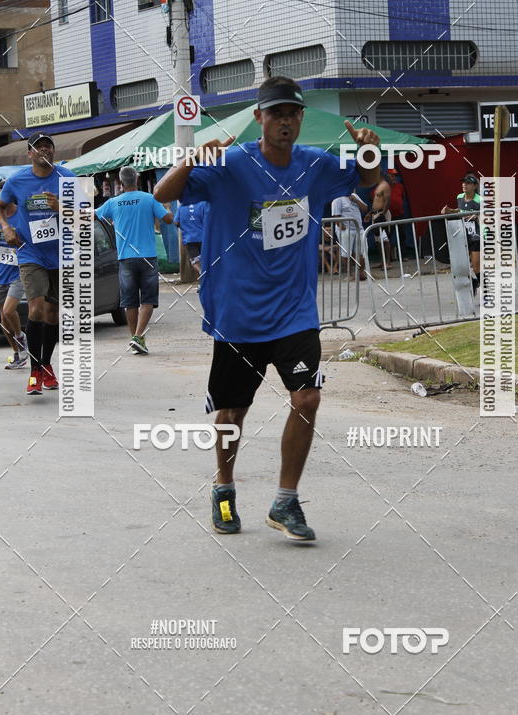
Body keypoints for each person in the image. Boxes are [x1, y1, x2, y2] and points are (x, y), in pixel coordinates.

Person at [154, 75, 380, 542]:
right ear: (259, 118)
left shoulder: (314, 165)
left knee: (308, 396)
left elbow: (368, 180)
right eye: (275, 113)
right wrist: (195, 156)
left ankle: (285, 500)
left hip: (294, 310)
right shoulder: (231, 165)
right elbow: (163, 194)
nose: (285, 121)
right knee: (233, 413)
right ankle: (223, 486)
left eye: (293, 113)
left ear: (300, 118)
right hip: (237, 311)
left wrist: (370, 151)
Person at [0, 133, 76, 396]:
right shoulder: (18, 180)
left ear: (53, 151)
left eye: (47, 146)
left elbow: (86, 214)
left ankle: (46, 365)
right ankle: (33, 372)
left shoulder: (69, 177)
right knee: (36, 308)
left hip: (61, 254)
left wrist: (61, 207)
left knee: (53, 314)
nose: (43, 150)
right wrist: (6, 227)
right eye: (37, 147)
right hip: (30, 254)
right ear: (29, 153)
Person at [96, 165, 173, 355]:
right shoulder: (149, 199)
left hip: (126, 259)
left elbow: (91, 215)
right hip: (147, 257)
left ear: (120, 183)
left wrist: (62, 209)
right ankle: (138, 337)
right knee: (147, 299)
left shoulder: (113, 203)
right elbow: (169, 219)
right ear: (137, 179)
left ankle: (136, 338)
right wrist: (168, 208)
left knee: (130, 301)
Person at [0, 181, 28, 369]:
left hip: (18, 271)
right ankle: (17, 354)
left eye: (1, 197)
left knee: (8, 310)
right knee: (3, 319)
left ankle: (21, 338)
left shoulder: (22, 214)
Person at [441, 173, 482, 292]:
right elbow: (460, 210)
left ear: (474, 186)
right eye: (463, 182)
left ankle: (486, 291)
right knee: (462, 265)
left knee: (476, 266)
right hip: (463, 235)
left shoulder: (480, 200)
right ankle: (474, 281)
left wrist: (477, 215)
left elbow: (489, 215)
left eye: (468, 183)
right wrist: (450, 211)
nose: (464, 185)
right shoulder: (459, 197)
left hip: (476, 235)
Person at [330, 191, 368, 280]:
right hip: (346, 229)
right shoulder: (337, 198)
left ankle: (361, 273)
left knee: (363, 251)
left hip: (359, 228)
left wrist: (356, 201)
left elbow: (365, 209)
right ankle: (350, 274)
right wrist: (342, 227)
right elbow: (336, 216)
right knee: (346, 253)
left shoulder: (354, 195)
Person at [174, 200, 208, 280]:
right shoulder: (203, 204)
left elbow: (176, 222)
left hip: (189, 239)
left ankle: (201, 275)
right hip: (203, 237)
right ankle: (204, 278)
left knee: (195, 261)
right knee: (205, 260)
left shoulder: (182, 206)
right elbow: (208, 219)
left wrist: (185, 227)